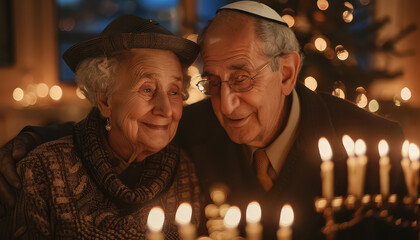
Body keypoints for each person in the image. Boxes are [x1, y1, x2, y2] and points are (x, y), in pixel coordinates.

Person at [0, 1, 415, 240]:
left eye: (241, 77)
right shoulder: (195, 128)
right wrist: (35, 139)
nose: (227, 104)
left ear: (286, 73)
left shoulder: (374, 143)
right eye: (212, 82)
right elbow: (124, 128)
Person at [0, 15, 201, 239]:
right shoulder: (42, 172)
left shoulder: (183, 169)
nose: (165, 109)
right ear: (106, 101)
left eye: (174, 91)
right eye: (147, 89)